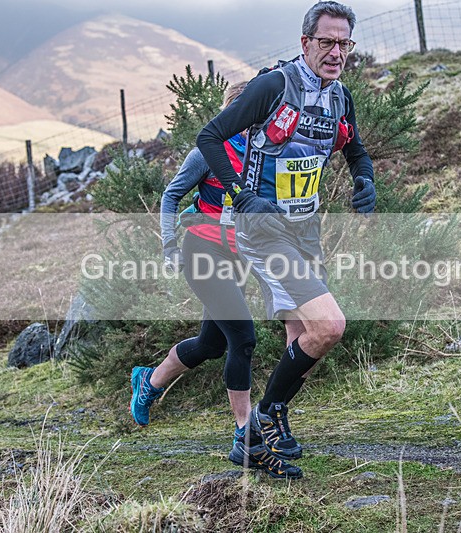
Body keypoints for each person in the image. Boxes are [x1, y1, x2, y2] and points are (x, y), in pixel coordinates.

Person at [196, 1, 375, 476]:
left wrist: (365, 181)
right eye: (327, 42)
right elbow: (209, 137)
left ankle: (265, 431)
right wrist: (240, 195)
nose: (336, 52)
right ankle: (262, 419)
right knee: (329, 326)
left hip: (305, 233)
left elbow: (356, 151)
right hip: (262, 231)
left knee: (302, 335)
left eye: (345, 43)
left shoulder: (339, 96)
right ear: (305, 43)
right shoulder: (274, 86)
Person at [129, 82, 302, 480]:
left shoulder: (266, 155)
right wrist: (169, 246)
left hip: (240, 257)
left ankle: (148, 382)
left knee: (210, 344)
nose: (254, 117)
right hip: (202, 252)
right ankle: (246, 437)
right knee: (242, 338)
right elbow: (171, 196)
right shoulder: (208, 151)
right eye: (246, 110)